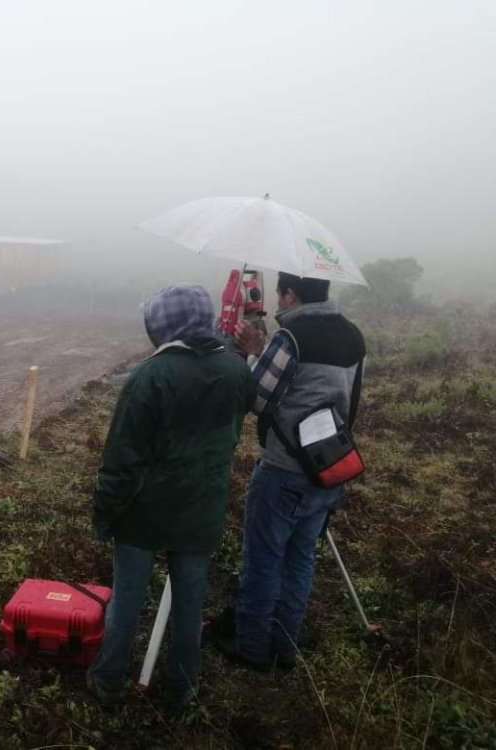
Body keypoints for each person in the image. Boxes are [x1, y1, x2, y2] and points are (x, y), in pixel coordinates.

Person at [87, 284, 254, 709]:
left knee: (128, 595)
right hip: (202, 507)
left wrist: (105, 512)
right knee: (190, 599)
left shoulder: (150, 376)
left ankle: (108, 679)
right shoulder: (237, 370)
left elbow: (122, 458)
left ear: (163, 323)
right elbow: (233, 431)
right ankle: (181, 687)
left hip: (144, 512)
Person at [217, 272, 366, 670]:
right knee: (301, 559)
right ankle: (285, 645)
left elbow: (257, 398)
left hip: (284, 469)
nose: (279, 305)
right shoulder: (352, 335)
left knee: (263, 560)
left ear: (290, 294)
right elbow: (350, 403)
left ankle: (250, 646)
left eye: (281, 297)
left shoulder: (292, 336)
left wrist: (252, 353)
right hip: (328, 467)